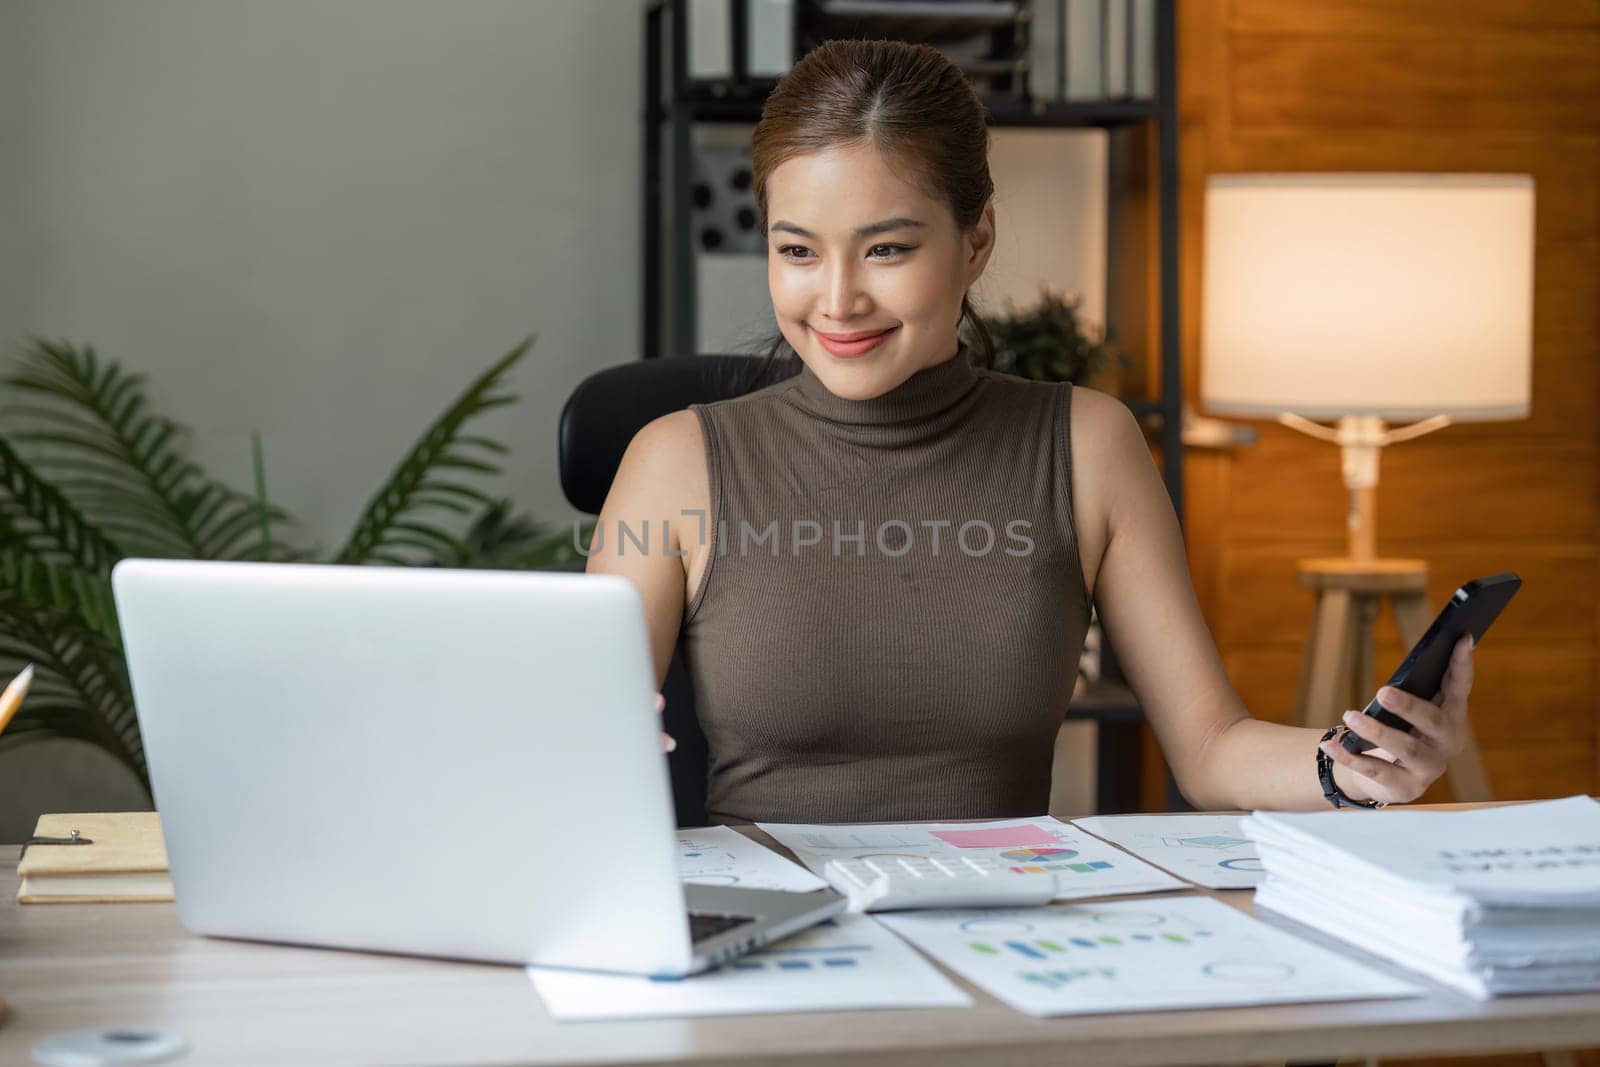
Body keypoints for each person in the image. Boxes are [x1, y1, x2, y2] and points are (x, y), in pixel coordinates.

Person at [588, 39, 1475, 825]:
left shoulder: (1090, 446)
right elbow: (571, 745)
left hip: (999, 944)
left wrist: (1350, 766)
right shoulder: (676, 464)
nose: (837, 298)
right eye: (798, 251)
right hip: (772, 954)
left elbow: (1211, 751)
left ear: (976, 242)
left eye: (887, 249)